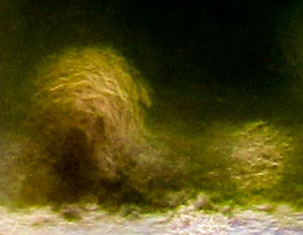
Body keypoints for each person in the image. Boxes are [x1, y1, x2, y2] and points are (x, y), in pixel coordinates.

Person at [10, 47, 179, 208]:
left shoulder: (130, 171)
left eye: (88, 118)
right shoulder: (45, 171)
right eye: (77, 117)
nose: (80, 128)